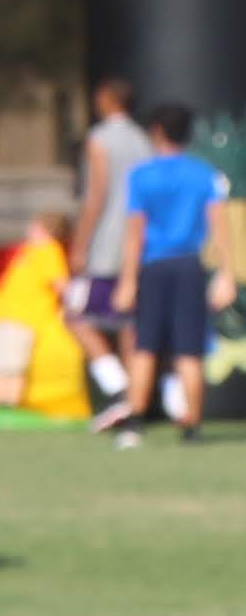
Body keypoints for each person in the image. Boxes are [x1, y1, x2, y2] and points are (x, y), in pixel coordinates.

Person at [99, 101, 233, 444]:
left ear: (157, 130)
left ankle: (134, 422)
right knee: (190, 349)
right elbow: (221, 228)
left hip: (153, 266)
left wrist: (127, 280)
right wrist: (227, 274)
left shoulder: (141, 176)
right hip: (190, 267)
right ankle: (192, 425)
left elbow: (135, 235)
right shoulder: (204, 174)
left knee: (145, 345)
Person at [70, 77, 153, 417]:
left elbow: (97, 193)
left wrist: (80, 243)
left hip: (107, 243)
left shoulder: (100, 139)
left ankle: (118, 387)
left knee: (76, 316)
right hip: (141, 244)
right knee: (130, 325)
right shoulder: (143, 140)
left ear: (109, 100)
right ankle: (135, 399)